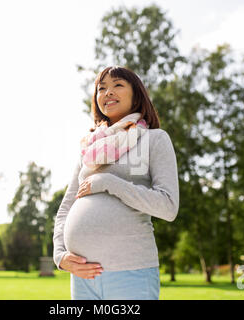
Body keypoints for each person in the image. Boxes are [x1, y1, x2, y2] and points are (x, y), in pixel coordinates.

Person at [53, 65, 179, 300]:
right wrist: (60, 255)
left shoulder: (154, 139)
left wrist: (109, 182)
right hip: (83, 276)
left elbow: (168, 206)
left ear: (136, 95)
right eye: (101, 88)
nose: (108, 92)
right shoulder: (88, 150)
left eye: (117, 85)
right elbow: (67, 207)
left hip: (131, 274)